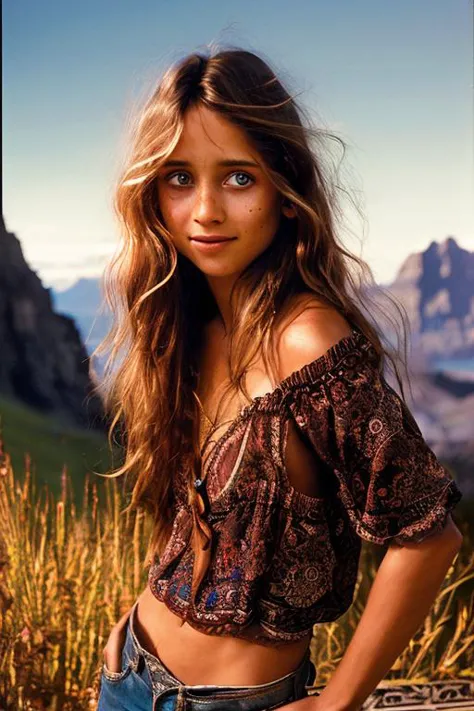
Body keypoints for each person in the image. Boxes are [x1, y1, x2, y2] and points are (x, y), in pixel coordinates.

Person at [93, 46, 463, 711]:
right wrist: (127, 627)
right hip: (128, 677)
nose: (204, 209)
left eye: (238, 178)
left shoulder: (309, 343)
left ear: (285, 192)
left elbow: (428, 536)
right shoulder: (185, 326)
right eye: (179, 178)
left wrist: (333, 703)